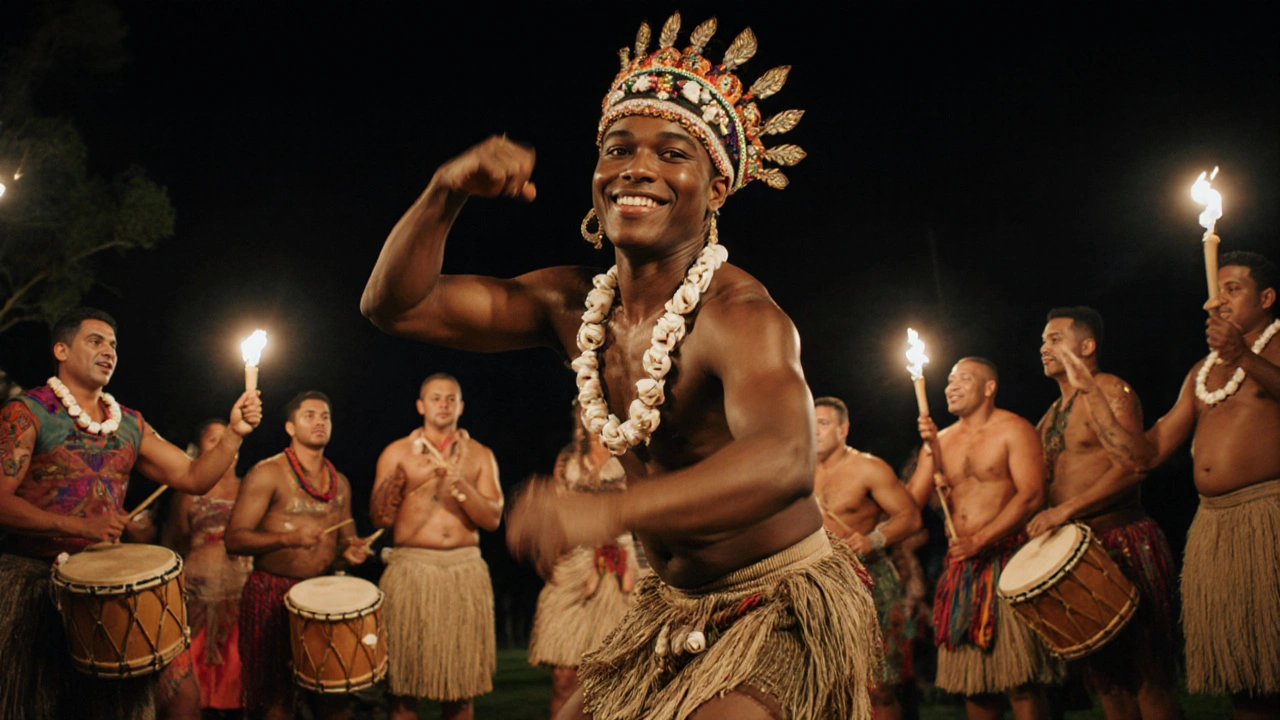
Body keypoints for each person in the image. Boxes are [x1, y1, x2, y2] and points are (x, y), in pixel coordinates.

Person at [361, 13, 879, 720]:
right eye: (617, 148)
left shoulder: (740, 316)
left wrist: (603, 512)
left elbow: (784, 460)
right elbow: (397, 306)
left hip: (775, 601)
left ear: (717, 190)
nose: (637, 167)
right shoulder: (569, 304)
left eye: (673, 154)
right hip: (670, 603)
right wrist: (444, 190)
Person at [0, 307, 262, 720]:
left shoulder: (129, 424)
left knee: (182, 697)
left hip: (112, 582)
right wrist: (78, 525)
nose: (109, 351)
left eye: (114, 345)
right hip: (37, 583)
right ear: (62, 350)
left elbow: (194, 477)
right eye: (95, 341)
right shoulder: (27, 412)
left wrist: (234, 434)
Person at [1055, 251, 1280, 720]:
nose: (1217, 301)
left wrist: (1241, 355)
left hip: (1271, 517)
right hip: (1218, 528)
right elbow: (1146, 455)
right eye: (1216, 292)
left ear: (1267, 298)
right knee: (1247, 675)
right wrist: (1089, 390)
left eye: (1233, 290)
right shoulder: (1201, 373)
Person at [1026, 307, 1182, 720]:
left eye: (1055, 339)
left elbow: (1130, 467)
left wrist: (1067, 510)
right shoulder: (1049, 417)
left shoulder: (1111, 389)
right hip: (1079, 554)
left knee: (1147, 676)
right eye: (1043, 340)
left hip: (1123, 541)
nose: (1044, 347)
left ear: (1087, 346)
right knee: (1108, 683)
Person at [906, 357, 1062, 720]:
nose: (951, 386)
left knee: (1021, 678)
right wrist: (927, 455)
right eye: (948, 380)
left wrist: (981, 539)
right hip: (961, 567)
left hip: (1008, 560)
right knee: (974, 682)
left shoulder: (1014, 430)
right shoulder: (940, 441)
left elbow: (1031, 495)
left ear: (989, 387)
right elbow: (911, 505)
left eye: (964, 378)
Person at [225, 391, 372, 720]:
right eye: (310, 415)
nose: (319, 421)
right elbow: (234, 539)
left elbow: (344, 548)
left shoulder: (341, 484)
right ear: (290, 427)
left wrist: (353, 552)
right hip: (271, 593)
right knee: (276, 701)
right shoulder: (268, 473)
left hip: (323, 598)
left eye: (325, 416)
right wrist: (287, 538)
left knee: (335, 699)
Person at [368, 374, 504, 720]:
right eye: (435, 398)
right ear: (420, 406)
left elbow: (492, 519)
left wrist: (460, 486)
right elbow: (379, 518)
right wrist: (395, 487)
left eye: (450, 398)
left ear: (460, 406)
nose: (443, 404)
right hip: (412, 570)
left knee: (460, 690)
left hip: (464, 571)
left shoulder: (480, 455)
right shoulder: (397, 452)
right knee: (403, 687)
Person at [813, 396, 921, 720]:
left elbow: (910, 517)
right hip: (817, 585)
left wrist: (874, 539)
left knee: (878, 685)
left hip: (868, 581)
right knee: (824, 684)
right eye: (810, 422)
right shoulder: (796, 469)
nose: (815, 430)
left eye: (823, 423)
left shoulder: (868, 468)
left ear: (843, 429)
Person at [527, 406, 639, 719]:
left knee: (619, 680)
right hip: (574, 566)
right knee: (565, 678)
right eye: (586, 408)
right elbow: (559, 517)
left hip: (624, 568)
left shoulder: (632, 455)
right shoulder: (567, 462)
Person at [166, 418, 255, 714]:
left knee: (236, 671)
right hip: (195, 594)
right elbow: (175, 541)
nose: (220, 446)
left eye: (226, 439)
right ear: (200, 449)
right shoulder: (189, 491)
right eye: (212, 440)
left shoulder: (250, 489)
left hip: (240, 593)